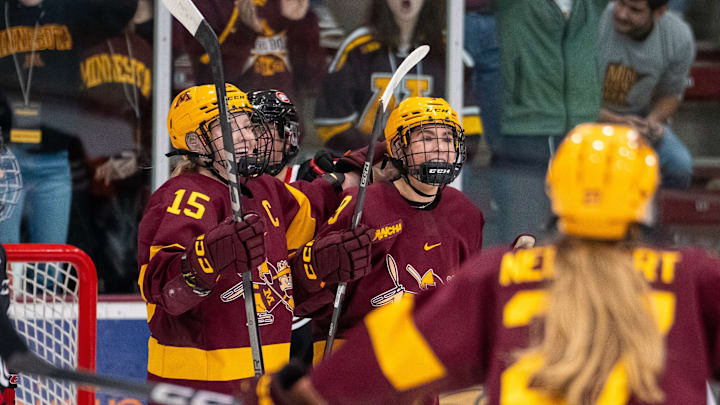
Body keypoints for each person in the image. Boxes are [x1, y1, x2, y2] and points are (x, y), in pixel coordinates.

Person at [240, 123, 720, 404]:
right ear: (647, 197)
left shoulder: (504, 277)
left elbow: (393, 355)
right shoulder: (694, 276)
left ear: (554, 190)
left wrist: (295, 393)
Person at [136, 83, 366, 394]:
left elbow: (310, 209)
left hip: (263, 384)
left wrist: (316, 266)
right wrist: (204, 259)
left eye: (248, 125)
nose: (246, 137)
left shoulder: (265, 189)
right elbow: (160, 289)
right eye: (229, 129)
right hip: (195, 388)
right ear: (196, 142)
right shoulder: (182, 196)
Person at [291, 97, 484, 366]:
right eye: (426, 138)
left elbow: (463, 300)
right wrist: (317, 267)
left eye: (447, 138)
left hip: (424, 363)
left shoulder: (465, 213)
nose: (439, 148)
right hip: (354, 362)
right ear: (396, 147)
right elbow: (303, 296)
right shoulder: (364, 205)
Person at [485, 0, 609, 245]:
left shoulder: (592, 5)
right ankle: (518, 282)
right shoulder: (515, 6)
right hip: (526, 127)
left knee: (582, 230)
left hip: (583, 128)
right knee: (523, 228)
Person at [314, 0, 482, 157]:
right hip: (367, 170)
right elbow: (333, 124)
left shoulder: (448, 53)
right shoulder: (357, 48)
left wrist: (424, 157)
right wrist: (382, 156)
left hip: (428, 175)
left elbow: (468, 132)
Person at [598, 0, 694, 189]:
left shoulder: (679, 37)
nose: (622, 14)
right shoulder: (595, 20)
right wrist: (618, 121)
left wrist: (652, 122)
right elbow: (570, 98)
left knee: (679, 165)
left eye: (634, 10)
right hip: (586, 117)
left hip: (638, 118)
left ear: (659, 12)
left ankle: (652, 216)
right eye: (620, 3)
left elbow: (671, 94)